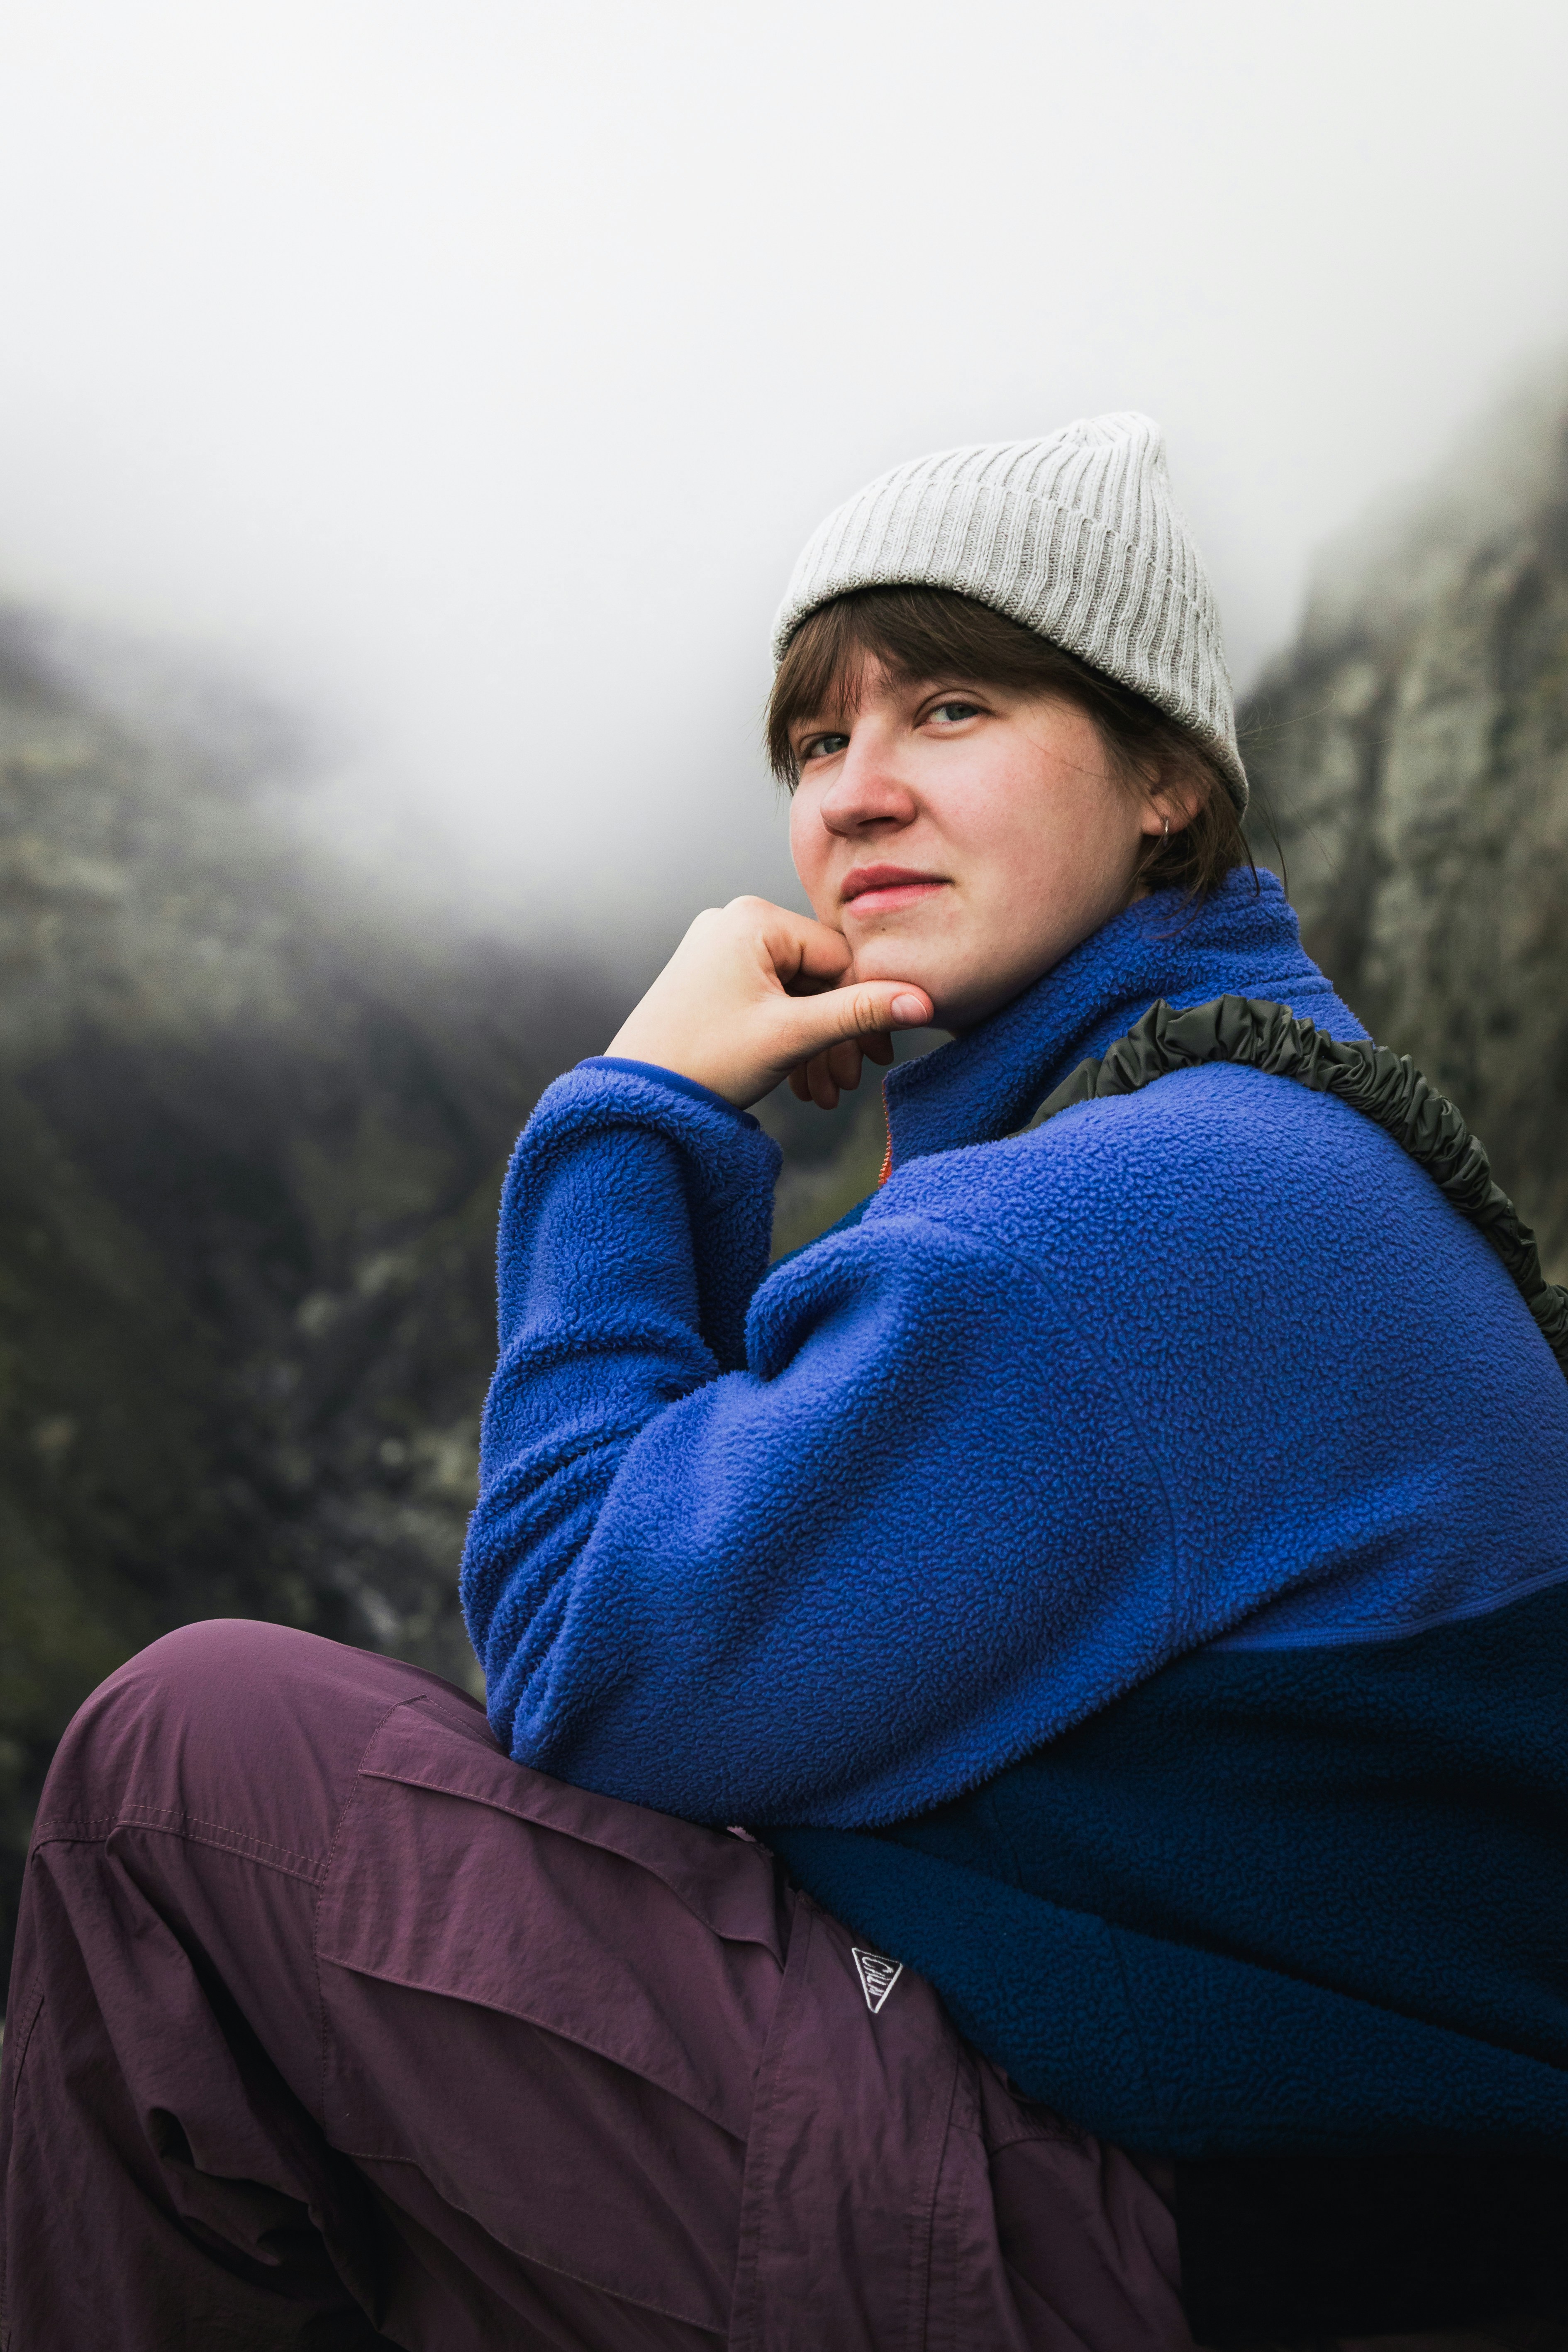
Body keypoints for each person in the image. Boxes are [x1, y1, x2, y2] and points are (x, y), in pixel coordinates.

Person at [4, 414, 1566, 2352]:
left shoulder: (1128, 1219)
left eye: (956, 708)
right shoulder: (1247, 1128)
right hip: (1325, 2202)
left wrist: (632, 1117)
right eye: (820, 743)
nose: (858, 793)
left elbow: (586, 1665)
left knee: (187, 1759)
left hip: (1182, 2247)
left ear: (1170, 777)